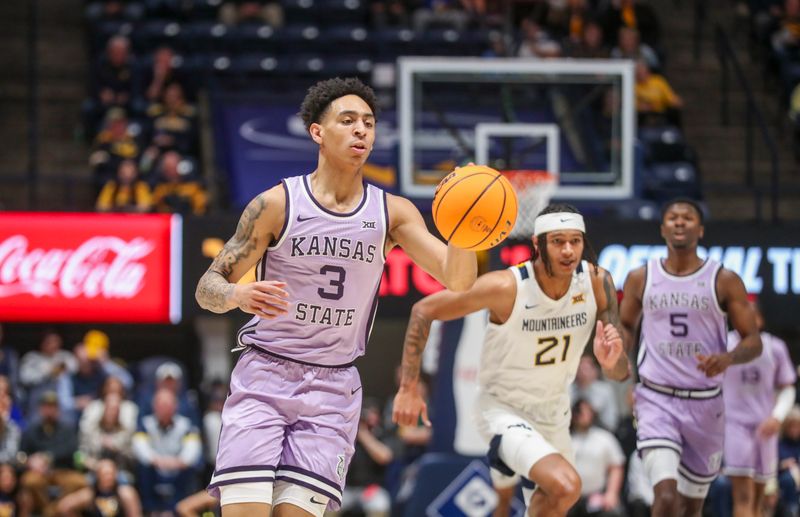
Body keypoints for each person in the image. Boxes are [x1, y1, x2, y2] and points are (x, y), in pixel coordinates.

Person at [194, 76, 477, 517]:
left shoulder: (392, 213)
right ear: (318, 133)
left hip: (333, 387)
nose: (361, 129)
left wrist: (466, 229)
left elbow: (459, 281)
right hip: (264, 376)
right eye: (347, 120)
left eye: (368, 121)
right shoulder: (277, 204)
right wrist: (238, 293)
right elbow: (206, 288)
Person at [392, 203, 630, 516]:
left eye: (576, 240)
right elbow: (424, 310)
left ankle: (503, 480)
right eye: (558, 241)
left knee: (558, 500)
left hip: (555, 412)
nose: (569, 250)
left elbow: (620, 373)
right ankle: (503, 466)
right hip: (503, 409)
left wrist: (612, 361)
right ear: (537, 244)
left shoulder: (598, 283)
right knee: (567, 485)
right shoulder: (507, 287)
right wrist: (409, 386)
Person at [619, 197, 762, 517]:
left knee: (691, 507)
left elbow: (754, 341)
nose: (679, 222)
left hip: (705, 402)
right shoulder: (641, 277)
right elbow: (626, 325)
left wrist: (728, 357)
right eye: (672, 217)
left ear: (700, 229)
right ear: (662, 228)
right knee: (667, 498)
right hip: (656, 399)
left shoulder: (724, 279)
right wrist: (618, 349)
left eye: (687, 217)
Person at [722, 299, 796, 517]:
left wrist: (777, 417)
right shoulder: (723, 345)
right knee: (743, 496)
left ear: (760, 320)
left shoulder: (775, 347)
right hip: (735, 426)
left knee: (761, 500)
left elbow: (788, 388)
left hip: (766, 429)